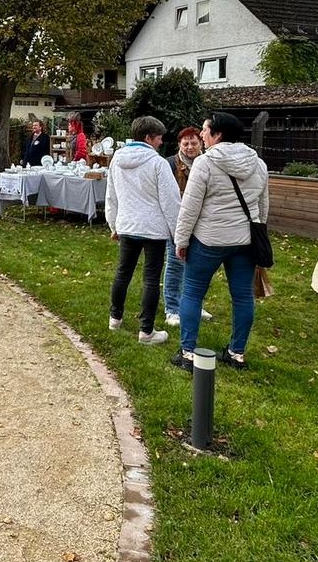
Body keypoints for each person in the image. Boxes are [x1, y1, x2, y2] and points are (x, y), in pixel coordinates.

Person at [172, 112, 269, 371]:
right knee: (242, 296)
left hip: (209, 239)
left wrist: (181, 240)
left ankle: (188, 352)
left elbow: (190, 207)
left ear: (218, 135)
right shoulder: (258, 164)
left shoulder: (205, 163)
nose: (201, 135)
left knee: (192, 291)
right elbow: (262, 206)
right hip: (245, 241)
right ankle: (237, 353)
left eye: (206, 131)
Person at [106, 116, 181, 346]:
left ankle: (115, 318)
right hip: (153, 229)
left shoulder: (117, 159)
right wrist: (178, 234)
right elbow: (171, 201)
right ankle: (146, 331)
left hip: (127, 225)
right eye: (158, 138)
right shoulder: (158, 163)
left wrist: (113, 224)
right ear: (148, 138)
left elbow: (112, 195)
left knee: (123, 273)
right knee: (150, 279)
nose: (160, 142)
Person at [164, 127, 212, 329]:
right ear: (179, 145)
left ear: (200, 143)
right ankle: (172, 308)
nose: (190, 147)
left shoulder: (209, 163)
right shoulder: (170, 164)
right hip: (178, 222)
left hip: (202, 222)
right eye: (186, 144)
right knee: (175, 264)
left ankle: (193, 305)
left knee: (198, 267)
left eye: (194, 143)